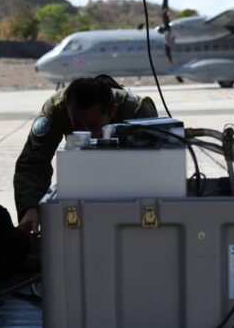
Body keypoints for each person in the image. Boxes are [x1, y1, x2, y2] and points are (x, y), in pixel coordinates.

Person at [14, 75, 158, 233]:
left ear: (112, 112)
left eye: (93, 126)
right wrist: (30, 207)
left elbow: (154, 174)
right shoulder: (57, 109)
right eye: (77, 125)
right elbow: (33, 163)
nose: (85, 133)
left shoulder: (137, 112)